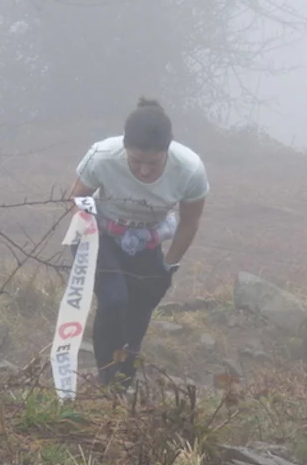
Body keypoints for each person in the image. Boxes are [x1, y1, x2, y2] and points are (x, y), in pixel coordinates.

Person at [65, 98, 209, 391]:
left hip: (146, 239)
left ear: (167, 151)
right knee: (114, 299)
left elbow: (189, 223)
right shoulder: (103, 156)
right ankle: (106, 379)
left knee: (139, 310)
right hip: (99, 233)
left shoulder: (190, 169)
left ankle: (123, 383)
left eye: (153, 163)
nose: (144, 171)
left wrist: (169, 265)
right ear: (125, 148)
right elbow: (78, 199)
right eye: (135, 161)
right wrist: (90, 240)